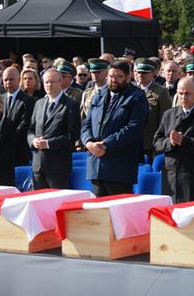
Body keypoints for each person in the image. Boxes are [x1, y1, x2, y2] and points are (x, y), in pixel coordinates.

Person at [81, 61, 148, 196]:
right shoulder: (99, 95)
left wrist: (105, 145)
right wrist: (89, 143)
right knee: (98, 211)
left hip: (120, 167)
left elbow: (134, 127)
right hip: (96, 165)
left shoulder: (137, 97)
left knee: (117, 212)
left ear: (128, 77)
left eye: (119, 77)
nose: (114, 80)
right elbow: (86, 123)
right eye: (111, 76)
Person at [153, 77, 194, 203]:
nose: (183, 97)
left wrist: (184, 141)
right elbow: (156, 142)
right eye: (180, 93)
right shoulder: (169, 114)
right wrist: (170, 142)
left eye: (188, 93)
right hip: (171, 176)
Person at [28, 69, 80, 189]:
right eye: (46, 82)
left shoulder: (71, 104)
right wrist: (33, 141)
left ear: (60, 82)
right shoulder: (39, 103)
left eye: (52, 82)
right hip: (38, 165)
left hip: (58, 167)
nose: (49, 85)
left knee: (56, 204)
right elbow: (30, 130)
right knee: (38, 204)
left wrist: (48, 144)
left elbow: (73, 135)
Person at [134, 58, 172, 158]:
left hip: (150, 143)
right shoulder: (131, 90)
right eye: (139, 72)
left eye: (145, 73)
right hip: (133, 142)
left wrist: (160, 142)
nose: (141, 75)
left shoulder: (161, 92)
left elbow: (164, 120)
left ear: (152, 74)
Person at [2, 66, 34, 166]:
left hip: (19, 152)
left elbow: (24, 125)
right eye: (5, 80)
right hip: (2, 152)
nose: (8, 82)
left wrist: (5, 137)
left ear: (19, 80)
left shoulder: (28, 100)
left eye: (11, 79)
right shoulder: (0, 99)